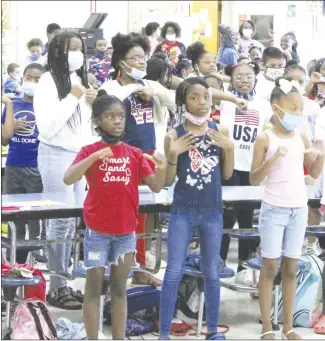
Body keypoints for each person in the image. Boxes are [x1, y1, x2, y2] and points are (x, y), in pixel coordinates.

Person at [63, 91, 167, 340]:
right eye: (111, 116)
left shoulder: (134, 153)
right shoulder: (90, 150)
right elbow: (69, 177)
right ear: (98, 121)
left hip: (125, 234)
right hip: (97, 232)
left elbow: (155, 185)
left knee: (119, 289)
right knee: (93, 289)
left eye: (121, 116)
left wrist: (163, 168)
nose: (118, 121)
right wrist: (94, 157)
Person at [159, 77, 234, 340]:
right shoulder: (174, 134)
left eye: (207, 97)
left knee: (212, 271)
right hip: (182, 211)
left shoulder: (219, 131)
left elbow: (226, 175)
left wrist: (230, 148)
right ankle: (164, 333)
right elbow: (166, 182)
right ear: (184, 102)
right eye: (195, 97)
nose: (202, 102)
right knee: (173, 272)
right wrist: (172, 154)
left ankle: (212, 330)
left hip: (212, 211)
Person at [250, 77, 325, 340]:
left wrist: (321, 153)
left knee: (292, 268)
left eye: (299, 109)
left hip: (298, 209)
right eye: (292, 109)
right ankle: (266, 326)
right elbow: (253, 179)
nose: (297, 114)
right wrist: (272, 160)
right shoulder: (265, 138)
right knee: (270, 268)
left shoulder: (301, 136)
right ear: (276, 108)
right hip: (273, 209)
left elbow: (313, 175)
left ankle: (288, 327)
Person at [100, 32, 175, 286]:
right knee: (122, 216)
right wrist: (133, 87)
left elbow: (175, 102)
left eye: (144, 58)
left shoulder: (150, 86)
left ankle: (140, 266)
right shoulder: (110, 87)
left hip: (150, 157)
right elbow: (109, 104)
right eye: (135, 58)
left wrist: (153, 92)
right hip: (119, 160)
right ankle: (120, 266)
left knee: (144, 216)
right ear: (121, 61)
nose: (142, 63)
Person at [34, 31, 98, 310]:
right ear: (57, 52)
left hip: (79, 156)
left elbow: (82, 128)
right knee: (58, 221)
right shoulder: (48, 81)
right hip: (55, 155)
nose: (77, 54)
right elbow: (48, 128)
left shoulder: (77, 80)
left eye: (80, 48)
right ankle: (56, 287)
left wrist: (90, 102)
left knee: (72, 220)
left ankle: (63, 281)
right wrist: (74, 98)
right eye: (71, 48)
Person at [219, 63, 273, 285]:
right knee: (226, 218)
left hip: (252, 168)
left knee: (246, 218)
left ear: (255, 79)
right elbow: (206, 87)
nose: (243, 80)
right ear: (231, 79)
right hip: (230, 166)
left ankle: (245, 265)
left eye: (248, 76)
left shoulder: (263, 105)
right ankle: (219, 261)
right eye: (238, 76)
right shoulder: (225, 101)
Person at [2, 63, 46, 263]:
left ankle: (36, 256)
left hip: (37, 167)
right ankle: (16, 259)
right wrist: (12, 124)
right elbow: (4, 139)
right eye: (29, 77)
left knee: (36, 216)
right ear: (22, 78)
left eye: (38, 79)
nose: (33, 82)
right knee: (15, 215)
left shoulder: (48, 107)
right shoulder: (14, 104)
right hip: (13, 165)